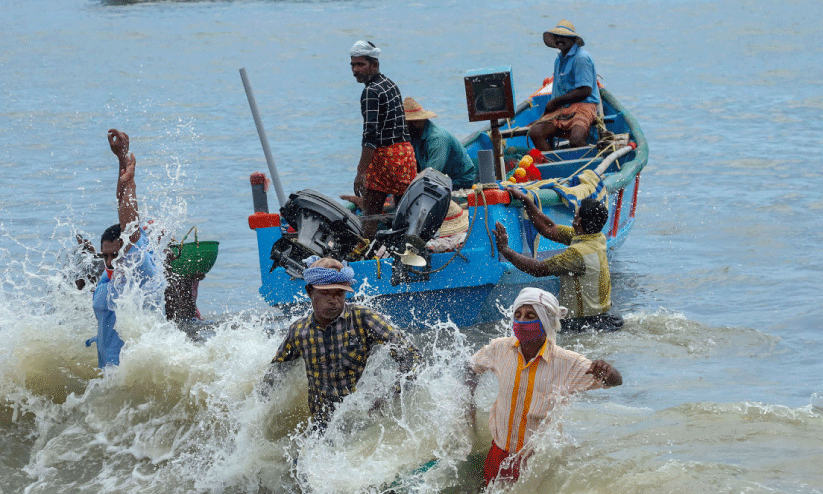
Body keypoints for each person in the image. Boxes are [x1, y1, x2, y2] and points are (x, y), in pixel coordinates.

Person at [467, 287, 622, 486]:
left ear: (545, 321)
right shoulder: (500, 349)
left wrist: (608, 371)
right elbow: (471, 366)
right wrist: (468, 402)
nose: (522, 321)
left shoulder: (568, 363)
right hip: (499, 452)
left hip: (536, 461)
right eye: (518, 315)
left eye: (530, 315)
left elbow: (615, 381)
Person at [261, 256, 422, 429]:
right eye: (325, 293)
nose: (333, 300)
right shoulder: (299, 330)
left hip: (363, 421)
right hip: (322, 425)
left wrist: (389, 396)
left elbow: (413, 356)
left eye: (339, 293)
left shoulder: (363, 318)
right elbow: (277, 371)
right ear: (309, 292)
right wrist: (258, 407)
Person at [84, 129, 164, 368]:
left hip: (137, 374)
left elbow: (129, 226)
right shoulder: (108, 276)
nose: (109, 262)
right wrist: (121, 162)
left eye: (115, 255)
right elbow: (122, 210)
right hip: (108, 372)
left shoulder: (140, 269)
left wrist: (130, 180)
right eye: (105, 255)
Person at [493, 188, 623, 332]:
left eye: (577, 213)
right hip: (609, 316)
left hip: (589, 324)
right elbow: (549, 228)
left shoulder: (577, 254)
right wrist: (526, 201)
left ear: (578, 221)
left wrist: (505, 250)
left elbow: (538, 269)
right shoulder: (596, 237)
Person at [350, 40, 417, 238]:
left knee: (370, 215)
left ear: (374, 64)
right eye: (353, 65)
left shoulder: (370, 92)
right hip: (404, 155)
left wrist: (360, 172)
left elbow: (370, 135)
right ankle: (406, 248)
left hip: (385, 157)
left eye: (360, 64)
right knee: (404, 212)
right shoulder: (390, 84)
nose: (355, 70)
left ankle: (365, 256)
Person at [528, 20, 600, 151]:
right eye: (557, 37)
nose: (559, 40)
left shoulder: (581, 58)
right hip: (562, 107)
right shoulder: (559, 59)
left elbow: (585, 90)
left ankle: (590, 161)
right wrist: (551, 108)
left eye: (564, 37)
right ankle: (553, 164)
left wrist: (555, 102)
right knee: (536, 132)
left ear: (572, 39)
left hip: (584, 105)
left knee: (576, 140)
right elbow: (558, 89)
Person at [403, 97, 477, 190]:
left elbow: (432, 174)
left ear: (415, 122)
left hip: (459, 181)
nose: (403, 128)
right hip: (441, 179)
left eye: (405, 124)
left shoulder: (437, 138)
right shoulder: (414, 136)